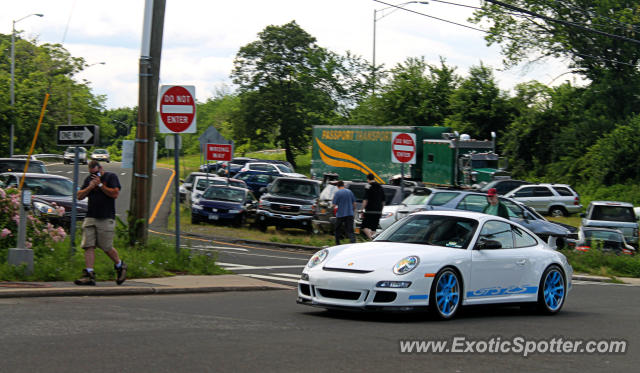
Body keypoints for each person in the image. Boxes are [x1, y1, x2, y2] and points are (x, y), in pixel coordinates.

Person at [74, 160, 127, 286]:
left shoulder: (111, 177)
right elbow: (79, 196)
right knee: (88, 245)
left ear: (101, 168)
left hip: (106, 217)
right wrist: (90, 186)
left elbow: (114, 194)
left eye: (96, 173)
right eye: (92, 173)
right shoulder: (89, 180)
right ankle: (89, 274)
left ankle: (120, 265)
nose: (94, 176)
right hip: (91, 216)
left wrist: (100, 185)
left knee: (106, 246)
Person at [361, 173, 385, 240]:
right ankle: (373, 240)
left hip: (369, 211)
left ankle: (372, 240)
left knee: (364, 227)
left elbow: (365, 200)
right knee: (373, 228)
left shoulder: (368, 186)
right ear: (374, 178)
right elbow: (383, 201)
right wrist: (381, 210)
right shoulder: (380, 187)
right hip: (378, 211)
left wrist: (362, 209)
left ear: (368, 179)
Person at [332, 180, 356, 245]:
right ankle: (353, 243)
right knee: (350, 230)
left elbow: (334, 205)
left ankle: (337, 243)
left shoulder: (337, 193)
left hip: (340, 214)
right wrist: (352, 210)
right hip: (350, 214)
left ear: (337, 186)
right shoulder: (350, 192)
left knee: (337, 229)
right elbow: (354, 204)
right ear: (343, 185)